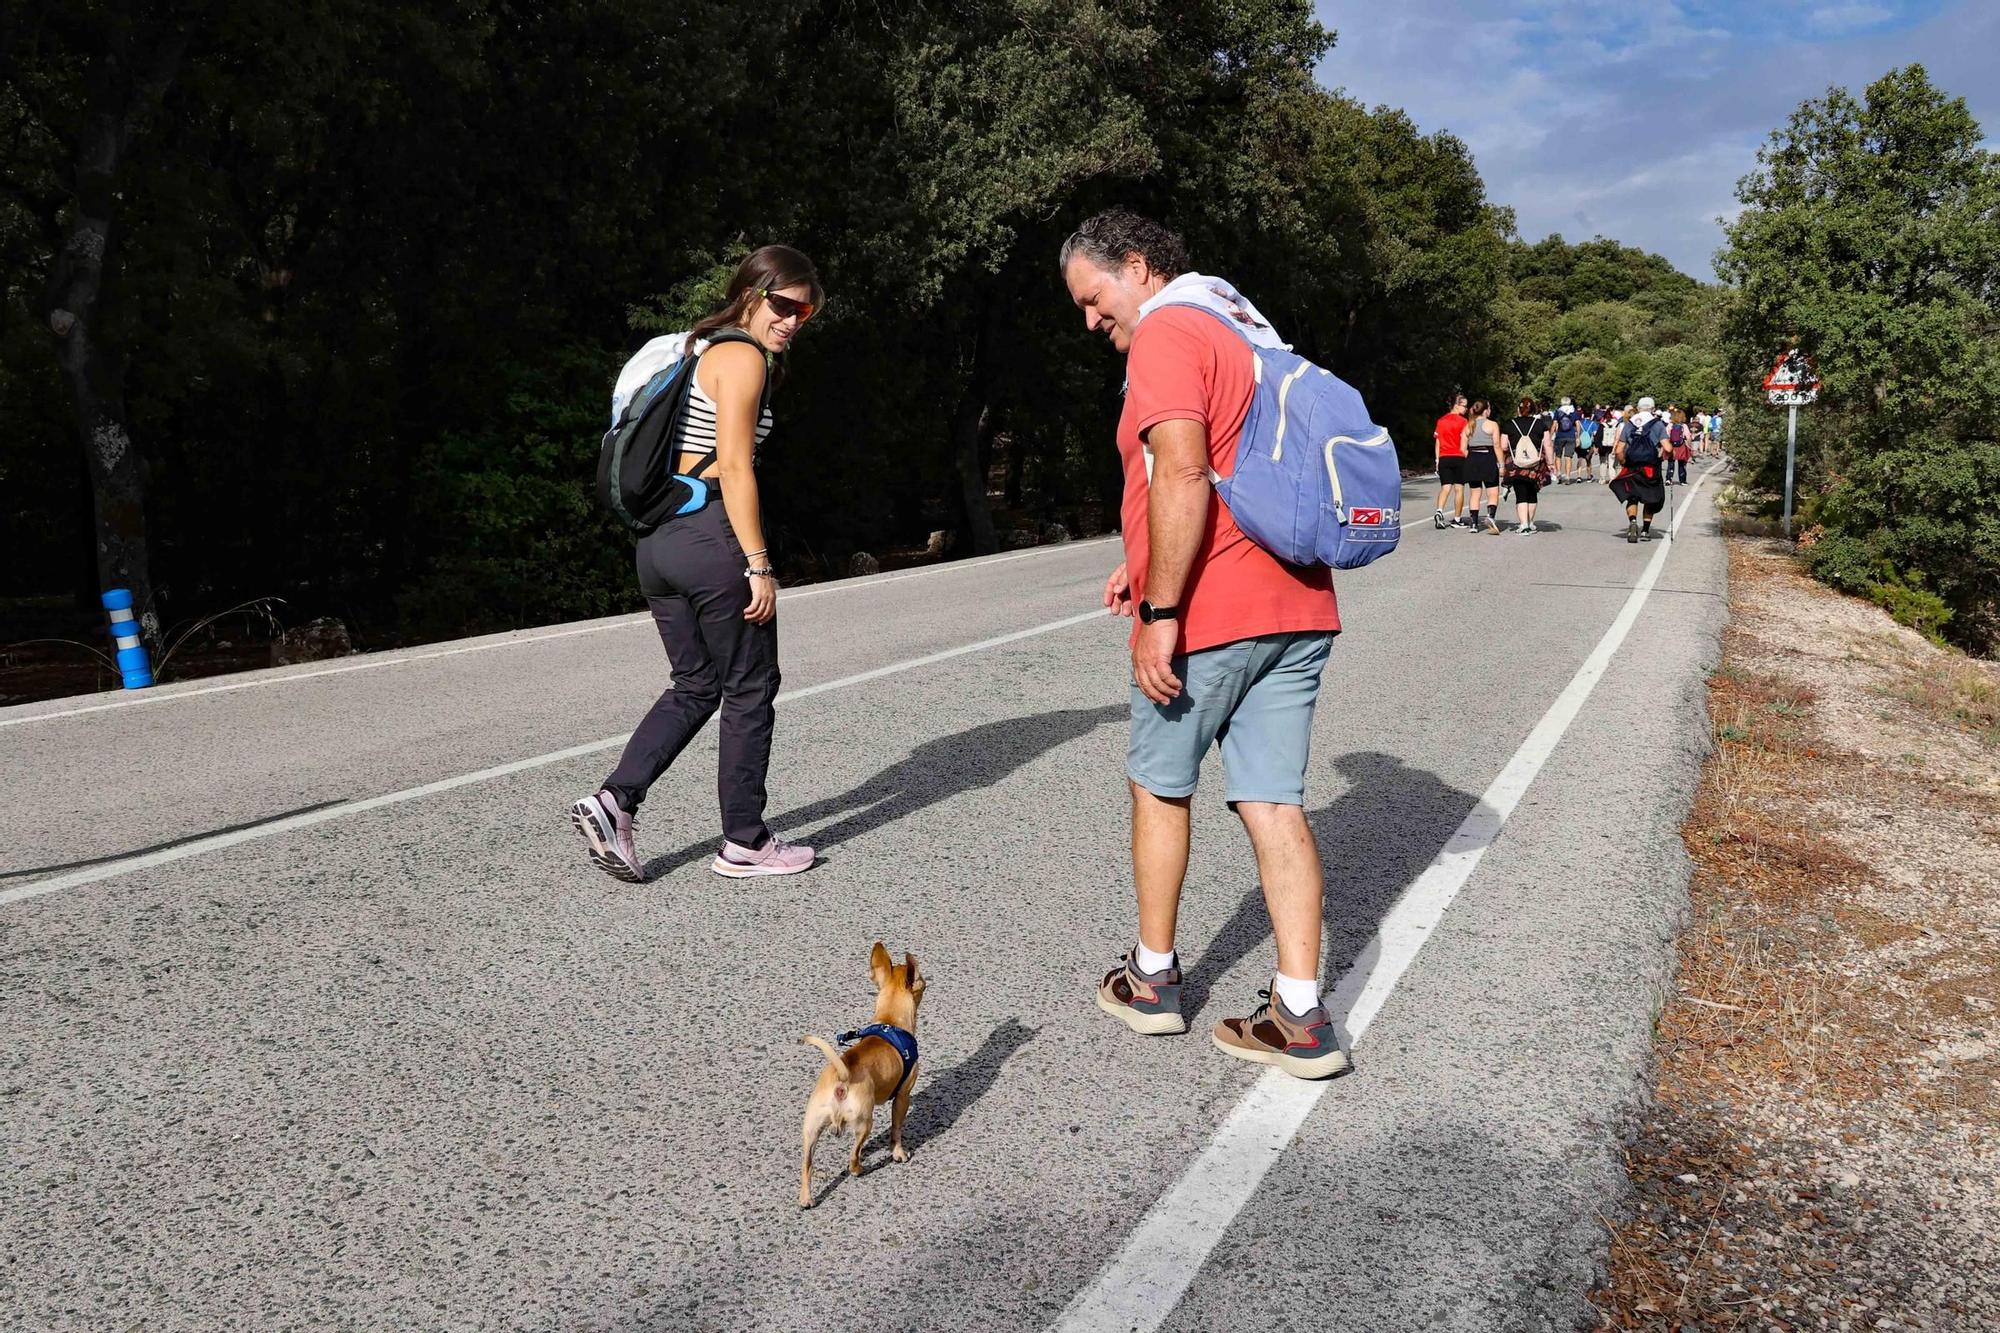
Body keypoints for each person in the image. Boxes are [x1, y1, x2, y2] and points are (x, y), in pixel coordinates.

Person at [1059, 208, 1347, 1079]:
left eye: (1093, 296)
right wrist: (1135, 559)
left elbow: (1183, 469)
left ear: (1138, 265)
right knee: (1274, 800)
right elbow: (1225, 466)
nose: (1089, 318)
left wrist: (1160, 609)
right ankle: (1300, 1015)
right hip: (1297, 602)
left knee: (1160, 784)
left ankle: (1152, 982)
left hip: (1214, 605)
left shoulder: (1168, 332)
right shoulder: (1242, 320)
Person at [570, 246, 825, 882]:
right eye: (784, 304)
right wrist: (759, 563)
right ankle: (745, 841)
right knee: (749, 686)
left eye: (807, 311)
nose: (794, 320)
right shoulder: (741, 356)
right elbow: (734, 466)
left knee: (697, 685)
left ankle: (614, 802)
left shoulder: (696, 350)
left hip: (659, 544)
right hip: (711, 537)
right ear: (750, 293)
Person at [1610, 395, 1669, 543]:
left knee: (1632, 496)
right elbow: (1667, 447)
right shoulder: (1658, 424)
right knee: (1650, 498)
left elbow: (1619, 450)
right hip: (1650, 467)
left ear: (1638, 408)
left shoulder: (1630, 423)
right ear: (1653, 408)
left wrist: (1624, 462)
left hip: (1632, 466)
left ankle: (1633, 522)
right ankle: (1645, 531)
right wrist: (1664, 456)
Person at [1502, 397, 1555, 533]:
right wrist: (1551, 463)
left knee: (1521, 494)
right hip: (1535, 464)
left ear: (1518, 409)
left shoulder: (1509, 424)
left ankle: (1523, 525)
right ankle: (1531, 523)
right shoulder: (1540, 424)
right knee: (1532, 493)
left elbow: (1503, 445)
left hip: (1516, 465)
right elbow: (1548, 445)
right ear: (1534, 409)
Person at [1461, 399, 1504, 534]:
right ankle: (1490, 516)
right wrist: (1501, 464)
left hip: (1473, 458)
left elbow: (1462, 449)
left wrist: (1472, 456)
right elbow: (1497, 445)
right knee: (1492, 491)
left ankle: (1474, 523)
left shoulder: (1468, 426)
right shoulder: (1492, 425)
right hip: (1488, 457)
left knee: (1475, 492)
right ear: (1486, 410)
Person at [1433, 393, 1470, 529]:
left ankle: (1439, 511)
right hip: (1459, 457)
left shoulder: (1441, 421)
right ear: (1456, 406)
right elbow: (1465, 441)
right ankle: (1457, 518)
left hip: (1444, 457)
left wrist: (1437, 459)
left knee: (1445, 487)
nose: (1466, 409)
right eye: (1464, 406)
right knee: (1459, 489)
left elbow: (1438, 442)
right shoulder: (1463, 422)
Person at [1550, 395, 1581, 483]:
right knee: (1568, 457)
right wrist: (1578, 437)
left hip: (1560, 436)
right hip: (1571, 436)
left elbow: (1554, 424)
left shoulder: (1558, 412)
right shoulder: (1574, 412)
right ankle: (1567, 476)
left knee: (1558, 456)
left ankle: (1559, 473)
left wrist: (1550, 435)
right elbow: (1578, 424)